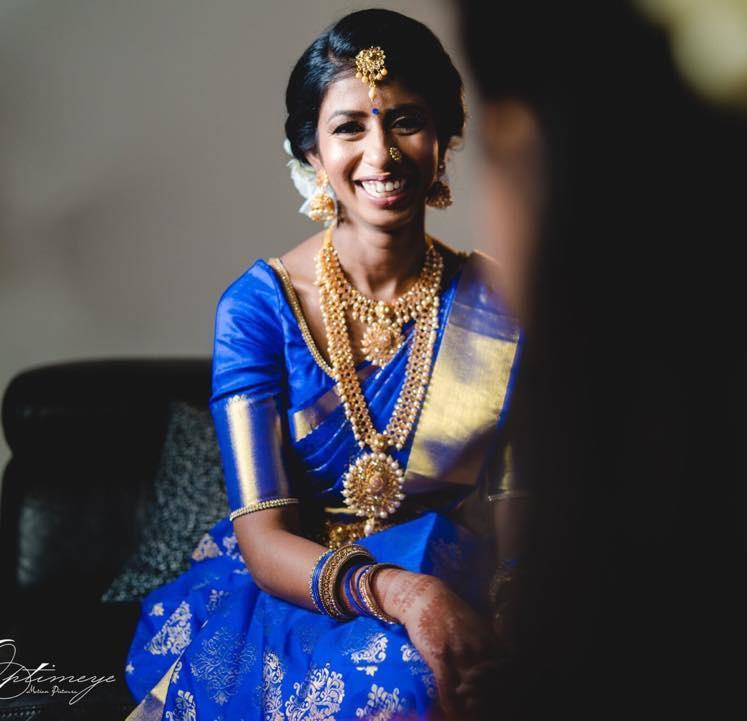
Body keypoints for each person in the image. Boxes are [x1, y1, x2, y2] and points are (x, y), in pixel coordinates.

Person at [122, 9, 523, 721]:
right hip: (303, 592)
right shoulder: (258, 308)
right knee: (409, 686)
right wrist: (400, 591)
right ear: (310, 151)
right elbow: (264, 536)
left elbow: (523, 509)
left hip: (466, 579)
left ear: (444, 138)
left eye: (406, 120)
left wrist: (510, 620)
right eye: (349, 128)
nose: (382, 153)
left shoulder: (499, 303)